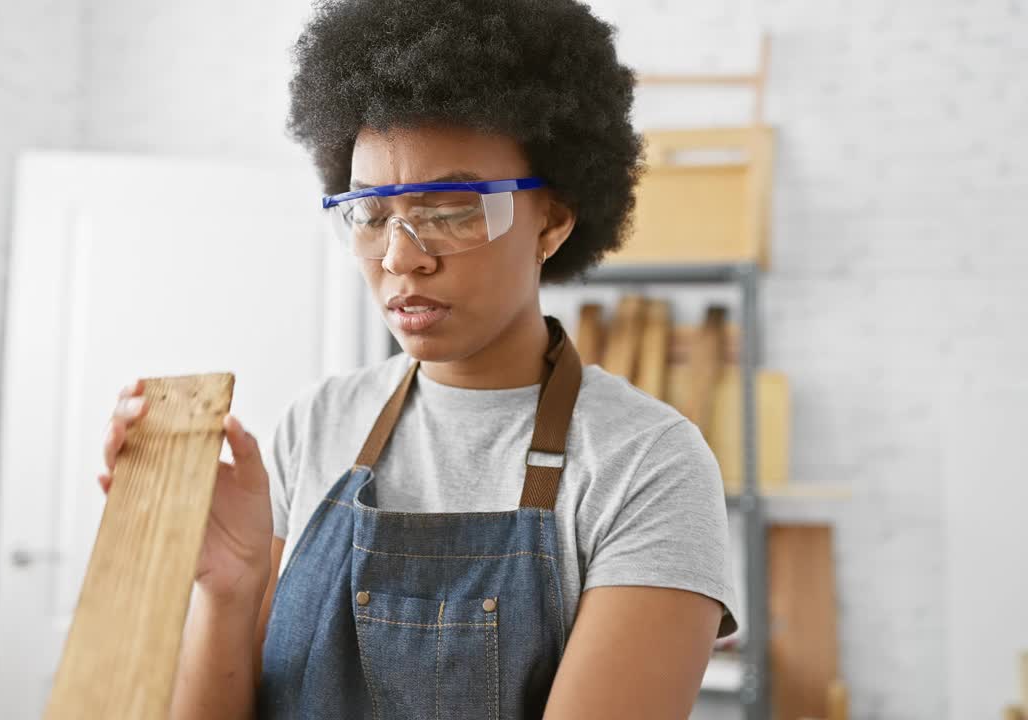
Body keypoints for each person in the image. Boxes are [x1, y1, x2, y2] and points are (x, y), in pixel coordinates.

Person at [99, 0, 738, 717]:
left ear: (553, 221)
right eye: (371, 213)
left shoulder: (646, 465)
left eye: (452, 210)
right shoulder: (317, 424)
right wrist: (228, 586)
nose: (402, 256)